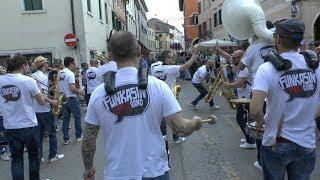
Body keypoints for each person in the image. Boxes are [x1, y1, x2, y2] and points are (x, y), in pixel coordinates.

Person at [81, 31, 207, 180]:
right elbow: (180, 130)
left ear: (110, 55)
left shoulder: (98, 94)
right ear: (139, 51)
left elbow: (88, 141)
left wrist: (88, 168)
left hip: (117, 175)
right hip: (154, 173)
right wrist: (196, 122)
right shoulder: (159, 86)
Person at [250, 18, 319, 179]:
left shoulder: (266, 69)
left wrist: (261, 123)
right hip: (307, 143)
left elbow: (255, 110)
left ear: (278, 38)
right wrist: (308, 116)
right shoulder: (315, 66)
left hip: (276, 142)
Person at [0, 55, 47, 180]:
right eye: (27, 65)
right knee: (33, 156)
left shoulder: (1, 80)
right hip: (29, 125)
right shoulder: (28, 80)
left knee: (16, 159)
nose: (28, 68)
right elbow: (42, 101)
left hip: (10, 126)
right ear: (23, 65)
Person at [238, 20, 275, 171]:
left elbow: (240, 66)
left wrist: (246, 53)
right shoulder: (278, 44)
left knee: (260, 125)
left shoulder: (253, 47)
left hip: (260, 89)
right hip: (278, 88)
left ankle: (261, 161)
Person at [152, 49, 198, 144]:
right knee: (174, 118)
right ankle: (176, 138)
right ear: (166, 59)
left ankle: (163, 136)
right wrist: (194, 56)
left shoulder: (155, 68)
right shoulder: (170, 68)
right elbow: (185, 66)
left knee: (161, 118)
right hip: (168, 96)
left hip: (157, 96)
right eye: (171, 57)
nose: (173, 59)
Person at [219, 50, 256, 149]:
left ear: (241, 58)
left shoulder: (244, 69)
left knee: (241, 119)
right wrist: (219, 50)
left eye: (235, 58)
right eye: (233, 57)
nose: (232, 59)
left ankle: (251, 141)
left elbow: (240, 83)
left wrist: (227, 84)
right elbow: (228, 57)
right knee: (246, 119)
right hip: (243, 96)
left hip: (246, 97)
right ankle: (249, 137)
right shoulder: (239, 65)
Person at [32, 56, 64, 163]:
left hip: (35, 110)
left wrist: (52, 87)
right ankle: (52, 155)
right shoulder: (43, 77)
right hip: (45, 110)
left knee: (39, 136)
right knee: (52, 134)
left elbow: (40, 92)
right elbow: (42, 95)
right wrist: (53, 101)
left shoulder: (33, 76)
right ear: (43, 64)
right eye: (46, 62)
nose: (47, 64)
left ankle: (39, 157)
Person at [59, 57, 84, 145]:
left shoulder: (60, 72)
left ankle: (66, 139)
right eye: (74, 63)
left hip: (63, 99)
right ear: (70, 63)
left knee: (66, 119)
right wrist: (80, 92)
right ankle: (78, 136)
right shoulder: (70, 74)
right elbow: (72, 88)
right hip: (72, 98)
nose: (75, 65)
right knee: (77, 117)